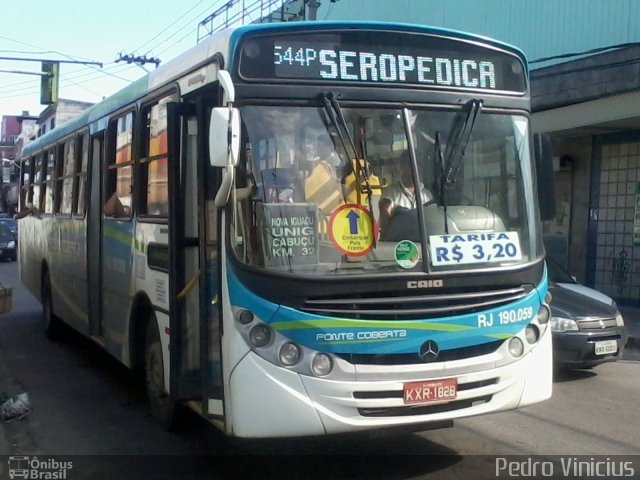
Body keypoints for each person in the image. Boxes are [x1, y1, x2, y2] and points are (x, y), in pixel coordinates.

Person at [378, 157, 432, 235]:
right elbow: (385, 213)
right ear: (402, 168)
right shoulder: (391, 192)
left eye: (418, 166)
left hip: (422, 239)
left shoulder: (427, 194)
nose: (413, 170)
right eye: (410, 166)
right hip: (398, 240)